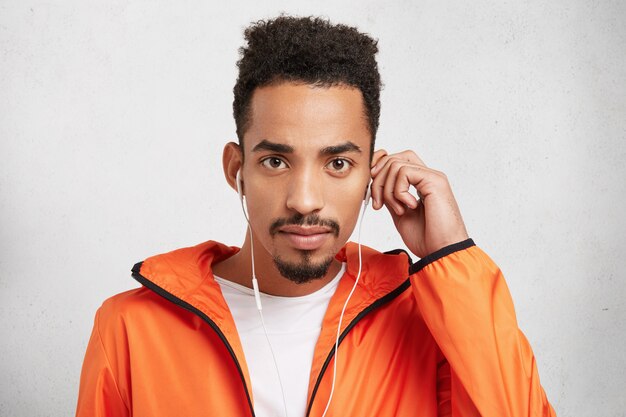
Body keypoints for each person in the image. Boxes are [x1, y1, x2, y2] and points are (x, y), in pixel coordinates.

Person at [76, 15, 556, 417]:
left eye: (338, 164)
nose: (304, 200)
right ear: (235, 169)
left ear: (374, 172)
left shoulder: (431, 320)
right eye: (276, 161)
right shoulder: (131, 328)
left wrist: (451, 257)